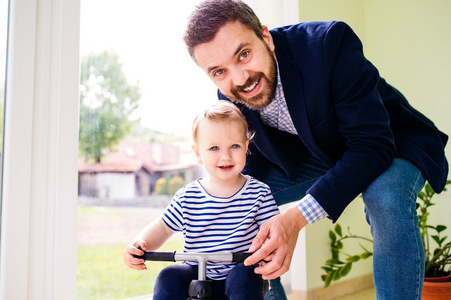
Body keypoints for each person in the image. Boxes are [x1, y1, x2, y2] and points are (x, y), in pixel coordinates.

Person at [183, 0, 449, 299]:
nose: (240, 78)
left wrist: (295, 219)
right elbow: (252, 161)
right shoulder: (229, 94)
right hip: (322, 155)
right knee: (240, 199)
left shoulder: (328, 45)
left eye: (244, 55)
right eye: (219, 71)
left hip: (390, 140)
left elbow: (371, 145)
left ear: (266, 38)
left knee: (385, 198)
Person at [123, 101, 280, 300]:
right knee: (168, 276)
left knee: (244, 276)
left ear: (246, 147)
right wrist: (140, 244)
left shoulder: (259, 193)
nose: (225, 156)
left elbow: (275, 232)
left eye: (234, 146)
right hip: (196, 273)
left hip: (240, 274)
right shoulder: (187, 196)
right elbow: (162, 227)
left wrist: (271, 253)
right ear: (198, 153)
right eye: (214, 148)